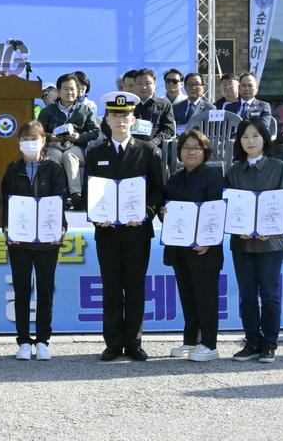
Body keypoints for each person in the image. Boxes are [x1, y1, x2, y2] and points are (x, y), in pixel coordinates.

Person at [83, 91, 164, 362]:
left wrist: (145, 214)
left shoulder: (148, 151)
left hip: (136, 230)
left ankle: (134, 341)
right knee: (111, 288)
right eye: (115, 115)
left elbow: (158, 190)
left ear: (133, 119)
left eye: (125, 115)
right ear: (106, 119)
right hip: (107, 231)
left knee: (135, 287)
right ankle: (113, 343)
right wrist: (96, 215)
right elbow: (89, 192)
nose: (120, 120)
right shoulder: (96, 153)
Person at [226, 118, 283, 363]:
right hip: (242, 243)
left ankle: (270, 344)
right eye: (245, 136)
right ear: (239, 142)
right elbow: (228, 207)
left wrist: (272, 231)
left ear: (265, 139)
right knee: (247, 295)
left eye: (255, 136)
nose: (250, 141)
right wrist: (236, 228)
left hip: (271, 243)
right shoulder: (233, 171)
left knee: (269, 294)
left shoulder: (278, 167)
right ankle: (252, 342)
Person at [1, 121, 66, 361]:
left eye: (34, 138)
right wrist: (7, 228)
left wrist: (60, 228)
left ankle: (42, 340)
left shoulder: (54, 168)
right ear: (19, 142)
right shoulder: (12, 169)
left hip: (48, 239)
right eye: (25, 139)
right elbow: (7, 201)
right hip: (20, 239)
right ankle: (24, 341)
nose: (30, 143)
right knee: (21, 290)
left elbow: (59, 201)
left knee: (45, 289)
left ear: (43, 141)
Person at [159, 129, 224, 362]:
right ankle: (191, 340)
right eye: (186, 147)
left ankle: (210, 344)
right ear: (179, 152)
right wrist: (163, 213)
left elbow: (218, 212)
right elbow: (166, 211)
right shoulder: (175, 178)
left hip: (204, 249)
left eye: (196, 148)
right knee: (187, 296)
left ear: (205, 152)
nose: (191, 152)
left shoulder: (213, 177)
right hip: (179, 248)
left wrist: (209, 241)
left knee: (206, 297)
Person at [37, 73, 100, 210]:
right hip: (54, 146)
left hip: (75, 147)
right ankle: (53, 193)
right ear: (58, 92)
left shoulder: (84, 110)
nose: (69, 92)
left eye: (72, 89)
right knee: (54, 156)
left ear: (77, 91)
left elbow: (95, 132)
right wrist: (50, 137)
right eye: (65, 89)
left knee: (69, 155)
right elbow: (39, 132)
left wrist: (80, 137)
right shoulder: (47, 111)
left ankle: (75, 194)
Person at [101, 68, 176, 146]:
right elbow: (105, 126)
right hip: (126, 146)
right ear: (135, 85)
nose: (144, 87)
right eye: (139, 84)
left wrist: (154, 142)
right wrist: (122, 140)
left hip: (154, 147)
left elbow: (168, 130)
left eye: (148, 83)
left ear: (154, 84)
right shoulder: (124, 104)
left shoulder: (164, 105)